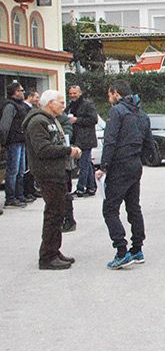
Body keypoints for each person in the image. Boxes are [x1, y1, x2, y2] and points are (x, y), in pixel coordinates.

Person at [96, 80, 155, 270]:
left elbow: (110, 141)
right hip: (135, 164)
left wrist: (103, 166)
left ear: (115, 93)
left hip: (120, 165)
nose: (109, 98)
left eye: (109, 94)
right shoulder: (141, 114)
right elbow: (149, 143)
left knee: (110, 209)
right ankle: (137, 248)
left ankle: (121, 251)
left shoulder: (117, 112)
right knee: (133, 207)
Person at [22, 90, 82, 270]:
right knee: (53, 214)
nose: (64, 106)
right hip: (47, 173)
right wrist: (67, 151)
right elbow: (43, 149)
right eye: (61, 102)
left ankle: (54, 250)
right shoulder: (38, 122)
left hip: (58, 172)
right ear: (50, 103)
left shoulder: (51, 120)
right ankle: (47, 256)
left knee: (58, 213)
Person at [1, 82, 31, 208]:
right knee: (13, 171)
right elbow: (4, 126)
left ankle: (19, 195)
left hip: (21, 140)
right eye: (21, 90)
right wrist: (3, 141)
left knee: (21, 171)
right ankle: (11, 198)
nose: (23, 92)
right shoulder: (10, 106)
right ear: (15, 92)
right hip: (13, 142)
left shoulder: (21, 105)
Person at [67, 85, 98, 198]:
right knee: (87, 164)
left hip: (86, 139)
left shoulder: (87, 104)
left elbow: (94, 119)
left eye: (74, 93)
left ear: (80, 93)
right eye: (70, 93)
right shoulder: (70, 106)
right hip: (76, 138)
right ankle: (91, 187)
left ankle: (81, 188)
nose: (72, 95)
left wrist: (77, 120)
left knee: (83, 164)